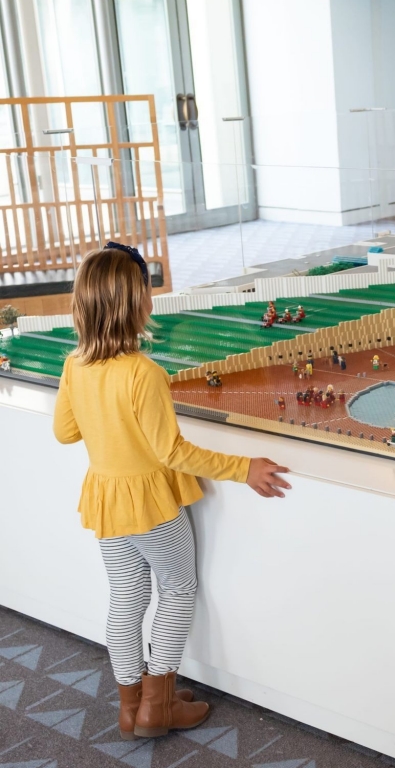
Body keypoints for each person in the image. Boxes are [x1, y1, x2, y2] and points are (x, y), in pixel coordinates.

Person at [53, 244, 290, 741]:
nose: (151, 300)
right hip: (154, 506)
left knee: (126, 598)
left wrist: (107, 423)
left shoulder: (75, 365)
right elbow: (173, 452)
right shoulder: (144, 373)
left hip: (107, 500)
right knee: (177, 592)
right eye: (146, 291)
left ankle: (130, 705)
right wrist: (243, 467)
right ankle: (157, 706)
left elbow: (65, 432)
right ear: (131, 304)